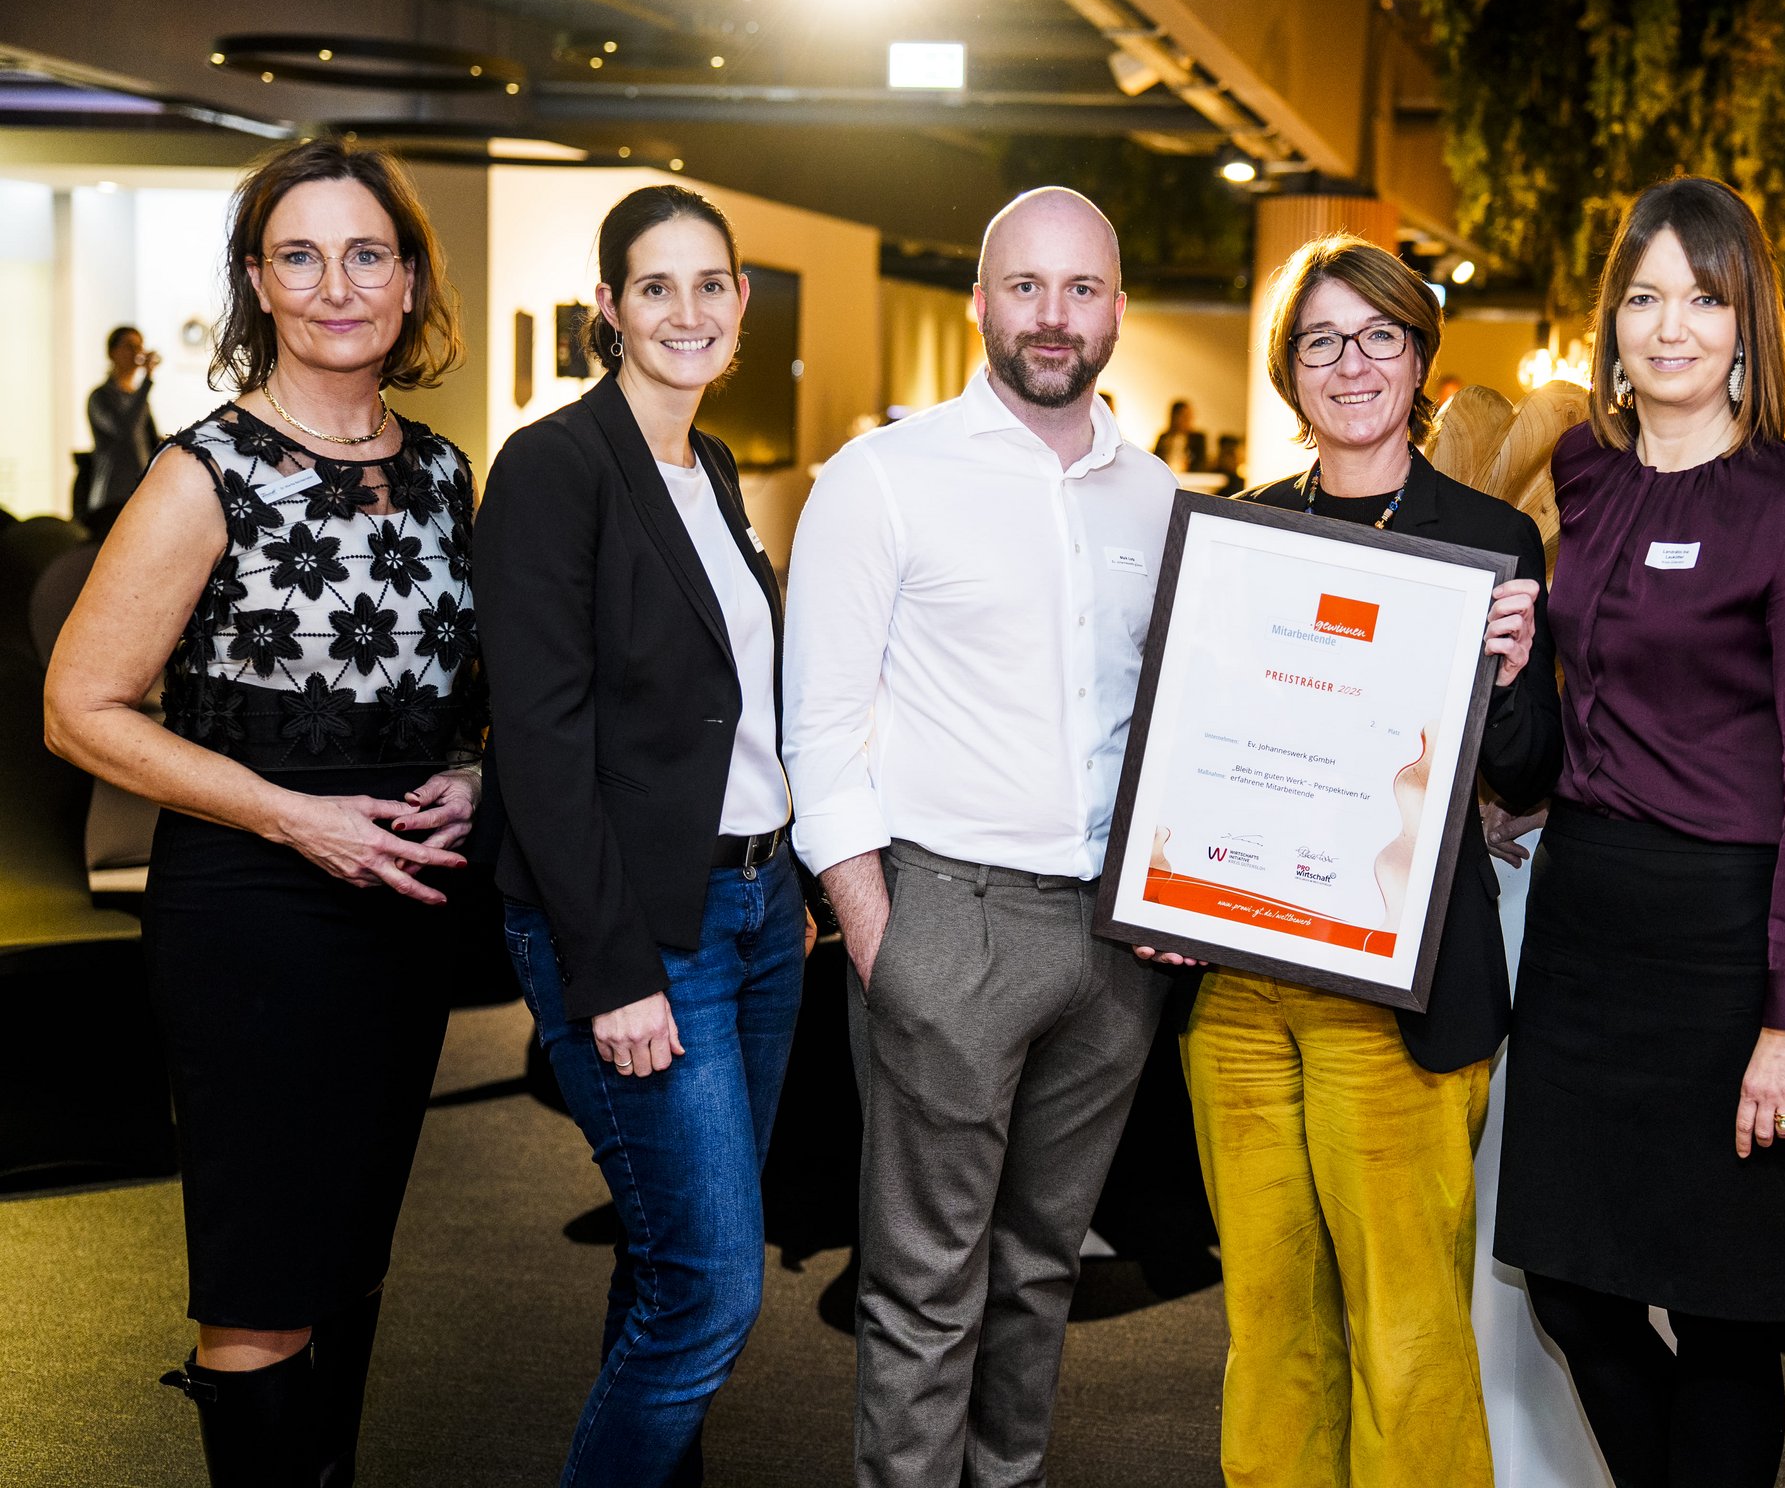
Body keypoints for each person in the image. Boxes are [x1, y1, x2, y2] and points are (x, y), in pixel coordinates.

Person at [43, 137, 478, 1487]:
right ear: (257, 280)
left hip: (402, 914)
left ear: (409, 281)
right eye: (301, 256)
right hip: (254, 913)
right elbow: (79, 709)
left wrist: (472, 775)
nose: (336, 285)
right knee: (265, 1275)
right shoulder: (206, 470)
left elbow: (452, 699)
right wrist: (294, 818)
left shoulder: (445, 472)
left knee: (350, 1256)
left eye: (366, 255)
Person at [1144, 234, 1560, 1488]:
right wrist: (1163, 871)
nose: (1353, 363)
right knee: (1270, 1325)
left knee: (1407, 1331)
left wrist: (1513, 668)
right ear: (1291, 370)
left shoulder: (1487, 536)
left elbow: (1528, 769)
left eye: (1380, 335)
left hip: (1402, 995)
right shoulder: (1245, 534)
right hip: (1241, 993)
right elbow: (1194, 742)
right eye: (1322, 340)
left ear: (1420, 356)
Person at [785, 187, 1176, 1488]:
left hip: (1109, 944)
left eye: (1081, 289)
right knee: (924, 1286)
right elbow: (818, 727)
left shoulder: (1160, 498)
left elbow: (1170, 722)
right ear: (979, 303)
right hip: (945, 920)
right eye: (1026, 286)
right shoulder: (882, 477)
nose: (1053, 316)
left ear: (1117, 309)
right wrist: (879, 935)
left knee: (1041, 1272)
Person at [1491, 176, 1785, 1488]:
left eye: (1703, 300)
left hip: (1729, 942)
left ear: (1747, 322)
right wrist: (1512, 670)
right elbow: (1576, 709)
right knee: (1570, 1286)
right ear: (1610, 321)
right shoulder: (1583, 474)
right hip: (1587, 924)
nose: (1670, 327)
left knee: (1722, 1317)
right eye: (1645, 298)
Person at [476, 186, 806, 1487]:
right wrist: (612, 968)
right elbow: (541, 740)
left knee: (670, 1264)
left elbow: (726, 707)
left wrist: (789, 869)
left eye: (710, 284)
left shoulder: (708, 465)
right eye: (655, 287)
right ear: (608, 306)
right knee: (714, 1289)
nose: (687, 311)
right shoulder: (555, 466)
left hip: (756, 910)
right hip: (640, 930)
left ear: (740, 300)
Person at [80, 324, 163, 529]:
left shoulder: (139, 399)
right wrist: (146, 382)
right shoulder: (100, 397)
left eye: (139, 346)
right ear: (112, 353)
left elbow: (150, 440)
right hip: (111, 496)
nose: (136, 353)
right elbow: (125, 430)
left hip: (140, 491)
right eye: (129, 346)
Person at [1157, 395, 1210, 472]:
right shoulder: (1164, 437)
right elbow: (1156, 459)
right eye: (1184, 416)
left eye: (1189, 416)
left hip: (1189, 476)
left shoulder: (1198, 439)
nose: (1188, 420)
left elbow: (1200, 463)